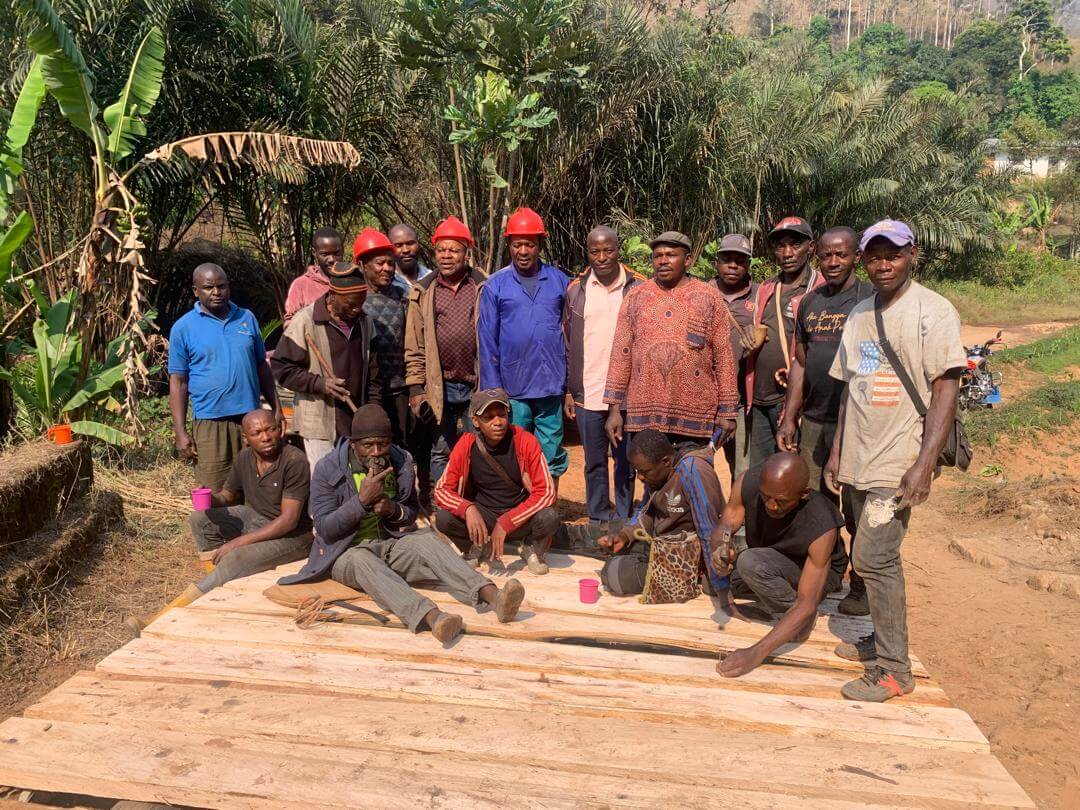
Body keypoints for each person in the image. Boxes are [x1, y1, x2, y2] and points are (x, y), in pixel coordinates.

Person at [827, 219, 965, 702]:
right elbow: (854, 388)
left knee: (873, 556)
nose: (884, 264)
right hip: (860, 454)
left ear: (913, 256)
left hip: (900, 455)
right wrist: (839, 449)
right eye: (875, 256)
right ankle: (882, 640)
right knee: (874, 555)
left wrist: (925, 461)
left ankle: (893, 670)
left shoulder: (933, 311)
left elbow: (947, 388)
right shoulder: (861, 313)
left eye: (894, 255)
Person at [279, 404, 526, 643]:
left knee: (427, 541)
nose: (376, 452)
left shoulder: (400, 460)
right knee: (361, 560)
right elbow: (324, 528)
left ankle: (495, 597)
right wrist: (361, 502)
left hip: (388, 544)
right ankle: (434, 618)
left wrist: (392, 509)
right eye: (368, 445)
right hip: (343, 553)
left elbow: (409, 512)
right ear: (354, 445)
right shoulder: (328, 467)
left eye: (382, 444)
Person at [126, 410, 313, 634]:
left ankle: (156, 621)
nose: (265, 437)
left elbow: (289, 520)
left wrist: (239, 542)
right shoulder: (245, 457)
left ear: (280, 429)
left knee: (236, 557)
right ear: (246, 438)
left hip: (294, 537)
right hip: (258, 520)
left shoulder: (294, 460)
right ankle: (214, 586)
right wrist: (208, 497)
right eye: (257, 433)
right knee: (200, 520)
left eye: (270, 429)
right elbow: (227, 496)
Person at [776, 226, 873, 616]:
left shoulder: (868, 299)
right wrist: (789, 417)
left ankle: (863, 585)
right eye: (827, 256)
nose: (833, 262)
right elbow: (800, 363)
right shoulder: (810, 302)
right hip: (815, 421)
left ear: (856, 257)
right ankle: (830, 570)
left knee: (856, 509)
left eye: (842, 255)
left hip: (858, 425)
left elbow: (868, 367)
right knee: (816, 504)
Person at [711, 452, 847, 678]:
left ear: (804, 494)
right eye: (765, 497)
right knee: (713, 581)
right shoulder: (747, 482)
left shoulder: (822, 524)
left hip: (815, 573)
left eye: (781, 501)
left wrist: (755, 653)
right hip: (773, 557)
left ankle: (798, 622)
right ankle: (782, 604)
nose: (771, 506)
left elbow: (807, 602)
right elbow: (726, 524)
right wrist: (721, 547)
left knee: (749, 563)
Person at [604, 231, 739, 456]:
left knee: (692, 479)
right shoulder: (636, 297)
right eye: (658, 256)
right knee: (653, 481)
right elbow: (621, 353)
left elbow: (724, 355)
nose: (663, 261)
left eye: (671, 255)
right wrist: (614, 409)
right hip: (645, 416)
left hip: (696, 415)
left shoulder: (708, 296)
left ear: (688, 260)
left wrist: (727, 411)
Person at [478, 207, 569, 485]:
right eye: (517, 244)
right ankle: (520, 501)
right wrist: (494, 390)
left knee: (551, 444)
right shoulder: (496, 285)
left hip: (551, 380)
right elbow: (487, 340)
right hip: (513, 383)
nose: (523, 250)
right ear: (509, 246)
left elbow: (572, 330)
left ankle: (549, 500)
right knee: (516, 445)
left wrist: (570, 384)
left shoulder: (560, 281)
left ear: (540, 244)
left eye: (530, 244)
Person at [169, 263, 280, 490]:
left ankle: (256, 526)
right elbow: (178, 382)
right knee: (216, 487)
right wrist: (180, 432)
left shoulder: (246, 318)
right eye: (209, 287)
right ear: (195, 290)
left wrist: (276, 408)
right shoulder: (183, 328)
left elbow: (262, 366)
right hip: (211, 421)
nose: (217, 292)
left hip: (251, 419)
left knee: (258, 484)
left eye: (222, 286)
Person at [562, 226, 642, 531]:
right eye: (595, 251)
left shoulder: (637, 287)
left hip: (627, 394)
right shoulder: (576, 289)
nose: (602, 257)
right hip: (588, 390)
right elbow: (568, 342)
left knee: (625, 461)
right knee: (594, 461)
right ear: (588, 252)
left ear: (618, 250)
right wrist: (570, 390)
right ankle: (597, 517)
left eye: (608, 250)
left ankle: (622, 517)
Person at [434, 388, 560, 575]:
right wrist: (467, 508)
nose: (498, 422)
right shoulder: (466, 444)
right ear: (475, 421)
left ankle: (531, 548)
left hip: (519, 518)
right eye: (489, 417)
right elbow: (441, 490)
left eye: (502, 414)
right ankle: (475, 547)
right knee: (443, 518)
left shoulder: (526, 441)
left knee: (550, 517)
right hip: (483, 518)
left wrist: (507, 521)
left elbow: (547, 492)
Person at [271, 260, 381, 473]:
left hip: (357, 418)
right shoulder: (306, 321)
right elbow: (281, 367)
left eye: (362, 302)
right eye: (351, 303)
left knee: (357, 479)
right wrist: (319, 384)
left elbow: (374, 374)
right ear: (333, 295)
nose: (357, 308)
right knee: (328, 481)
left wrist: (372, 411)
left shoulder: (365, 322)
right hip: (320, 422)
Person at [405, 216, 486, 485]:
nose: (447, 256)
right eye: (441, 250)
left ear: (466, 253)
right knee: (441, 448)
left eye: (454, 250)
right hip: (442, 386)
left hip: (476, 383)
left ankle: (476, 500)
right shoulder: (423, 291)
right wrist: (417, 389)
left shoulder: (482, 286)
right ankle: (444, 503)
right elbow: (414, 344)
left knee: (479, 445)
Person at [599, 430, 727, 597]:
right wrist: (626, 535)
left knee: (616, 573)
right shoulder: (659, 472)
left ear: (666, 461)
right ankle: (565, 536)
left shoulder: (693, 471)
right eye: (637, 471)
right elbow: (646, 509)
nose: (640, 478)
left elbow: (708, 530)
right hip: (661, 541)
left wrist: (720, 584)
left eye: (644, 472)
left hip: (685, 557)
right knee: (610, 532)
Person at [746, 216, 825, 468]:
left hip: (796, 400)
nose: (787, 253)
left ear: (811, 247)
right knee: (761, 473)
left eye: (795, 244)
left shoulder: (821, 289)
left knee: (794, 473)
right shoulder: (766, 287)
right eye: (780, 246)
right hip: (759, 397)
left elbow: (825, 347)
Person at [358, 227, 428, 503]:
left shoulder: (403, 294)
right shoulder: (355, 298)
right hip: (372, 389)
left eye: (390, 263)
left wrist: (415, 385)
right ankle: (383, 499)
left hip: (401, 385)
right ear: (363, 266)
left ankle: (415, 498)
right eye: (380, 264)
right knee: (378, 448)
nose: (387, 268)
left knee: (410, 443)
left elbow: (414, 340)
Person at [712, 233, 765, 483]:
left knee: (741, 468)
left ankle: (739, 521)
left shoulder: (761, 295)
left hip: (741, 401)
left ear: (748, 265)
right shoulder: (702, 292)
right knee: (698, 463)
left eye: (740, 260)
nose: (733, 265)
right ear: (717, 262)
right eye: (727, 259)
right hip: (704, 400)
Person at [284, 228, 344, 326]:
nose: (332, 259)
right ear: (314, 252)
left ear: (343, 250)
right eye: (325, 254)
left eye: (336, 253)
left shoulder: (350, 281)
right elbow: (290, 324)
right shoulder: (301, 286)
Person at [389, 223, 432, 291]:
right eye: (398, 245)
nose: (405, 250)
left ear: (418, 244)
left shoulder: (431, 277)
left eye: (410, 243)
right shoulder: (387, 282)